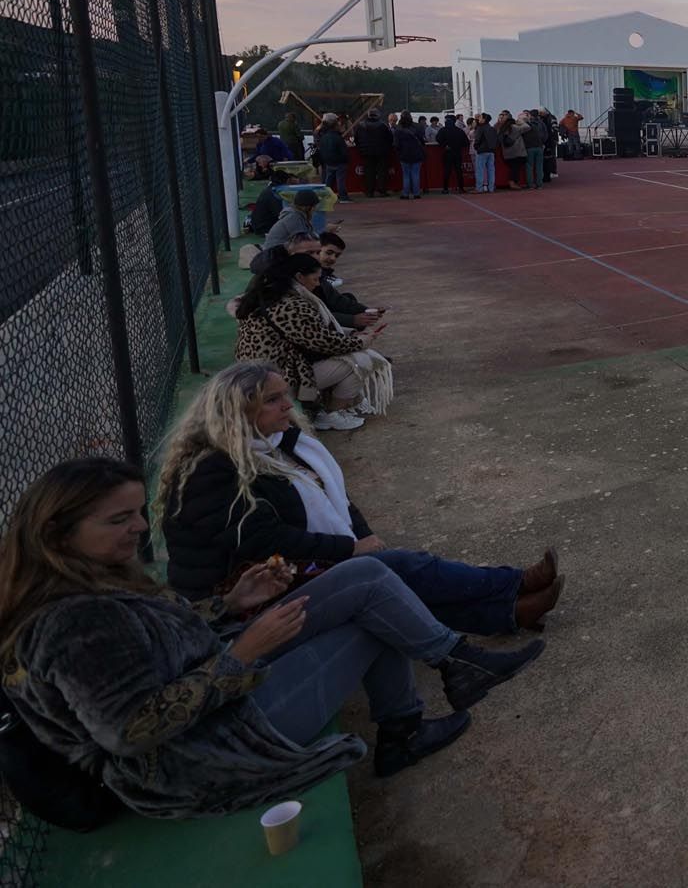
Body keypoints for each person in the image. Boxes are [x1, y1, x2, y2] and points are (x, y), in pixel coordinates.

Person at [0, 457, 545, 807]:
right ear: (58, 532)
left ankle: (452, 666)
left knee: (367, 575)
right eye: (118, 520)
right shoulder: (71, 621)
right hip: (195, 753)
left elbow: (161, 640)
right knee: (371, 620)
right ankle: (412, 720)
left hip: (217, 689)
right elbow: (128, 730)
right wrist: (240, 655)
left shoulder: (92, 574)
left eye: (138, 513)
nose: (140, 528)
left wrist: (230, 605)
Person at [158, 364, 565, 633]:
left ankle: (509, 612)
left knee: (390, 570)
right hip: (238, 596)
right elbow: (264, 540)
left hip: (278, 570)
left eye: (286, 395)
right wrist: (350, 548)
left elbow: (338, 499)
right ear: (237, 411)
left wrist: (363, 539)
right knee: (402, 568)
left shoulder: (280, 445)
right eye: (273, 400)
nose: (288, 405)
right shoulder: (210, 470)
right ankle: (512, 584)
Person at [234, 252, 388, 433]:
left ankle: (327, 409)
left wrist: (352, 334)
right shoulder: (290, 304)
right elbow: (323, 342)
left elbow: (314, 334)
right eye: (315, 279)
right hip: (277, 376)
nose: (317, 284)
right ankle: (331, 415)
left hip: (256, 373)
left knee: (350, 355)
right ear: (299, 277)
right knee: (359, 360)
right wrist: (361, 342)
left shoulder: (269, 294)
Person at [315, 234, 382, 330]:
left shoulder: (320, 274)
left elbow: (337, 300)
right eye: (329, 253)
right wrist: (352, 320)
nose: (333, 258)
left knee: (349, 298)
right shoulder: (306, 274)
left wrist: (366, 310)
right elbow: (314, 315)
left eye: (337, 256)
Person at [353, 109, 393, 198]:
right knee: (382, 172)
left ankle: (369, 192)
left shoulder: (360, 125)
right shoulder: (383, 125)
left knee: (368, 172)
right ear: (377, 115)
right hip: (382, 152)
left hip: (366, 152)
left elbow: (356, 139)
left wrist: (361, 148)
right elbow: (390, 138)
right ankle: (382, 190)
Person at [314, 115, 351, 201]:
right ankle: (343, 197)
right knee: (340, 180)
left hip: (328, 162)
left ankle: (326, 196)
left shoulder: (323, 136)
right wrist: (346, 159)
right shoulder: (338, 138)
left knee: (329, 180)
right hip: (339, 162)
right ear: (335, 126)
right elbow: (344, 151)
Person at [394, 114, 426, 199]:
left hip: (404, 154)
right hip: (417, 153)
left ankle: (405, 194)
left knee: (406, 175)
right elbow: (422, 140)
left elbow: (396, 144)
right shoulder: (417, 127)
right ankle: (416, 193)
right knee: (416, 174)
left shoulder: (398, 129)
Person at [436, 114, 470, 194]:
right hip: (457, 153)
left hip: (448, 153)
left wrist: (445, 145)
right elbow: (466, 142)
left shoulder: (443, 130)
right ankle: (461, 188)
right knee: (459, 171)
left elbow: (438, 139)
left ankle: (445, 188)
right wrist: (458, 146)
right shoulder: (459, 131)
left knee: (447, 171)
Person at [471, 114, 499, 194]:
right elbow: (496, 140)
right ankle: (491, 188)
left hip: (482, 151)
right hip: (491, 151)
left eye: (480, 117)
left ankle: (479, 188)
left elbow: (477, 140)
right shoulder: (492, 128)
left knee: (480, 170)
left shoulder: (480, 128)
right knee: (491, 170)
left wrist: (476, 147)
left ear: (484, 119)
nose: (478, 119)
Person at [499, 114, 527, 190]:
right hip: (517, 153)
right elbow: (527, 127)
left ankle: (513, 183)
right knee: (515, 168)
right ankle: (512, 183)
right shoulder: (515, 128)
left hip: (506, 153)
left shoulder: (502, 129)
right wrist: (521, 121)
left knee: (513, 168)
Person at [519, 114, 545, 190]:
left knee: (529, 166)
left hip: (529, 148)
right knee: (539, 166)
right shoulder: (535, 126)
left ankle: (530, 184)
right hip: (539, 147)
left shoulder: (523, 128)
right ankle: (539, 184)